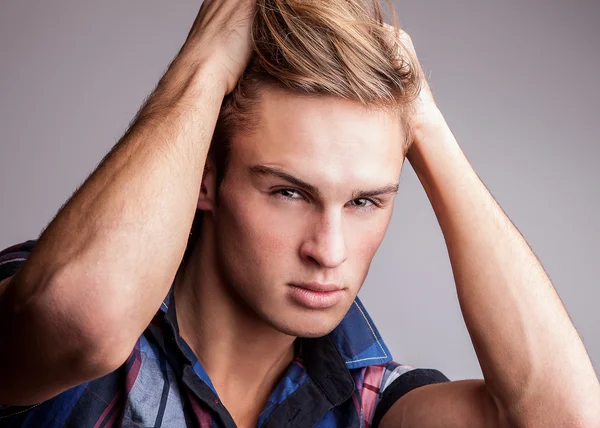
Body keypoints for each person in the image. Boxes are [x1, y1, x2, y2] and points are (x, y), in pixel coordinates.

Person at [0, 0, 598, 426]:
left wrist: (424, 122)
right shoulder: (55, 286)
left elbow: (567, 420)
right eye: (289, 192)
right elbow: (82, 323)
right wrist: (203, 67)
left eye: (364, 201)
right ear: (206, 175)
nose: (329, 250)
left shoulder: (370, 405)